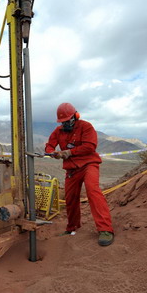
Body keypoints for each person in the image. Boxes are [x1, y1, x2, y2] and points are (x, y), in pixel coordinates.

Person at [44, 102, 114, 246]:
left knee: (92, 190)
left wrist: (69, 152)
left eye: (67, 121)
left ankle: (105, 229)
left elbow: (90, 146)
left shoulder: (86, 127)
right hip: (72, 169)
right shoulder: (58, 131)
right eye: (62, 122)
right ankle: (72, 228)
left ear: (75, 116)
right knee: (70, 198)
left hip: (89, 164)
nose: (65, 124)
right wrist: (52, 152)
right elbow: (49, 145)